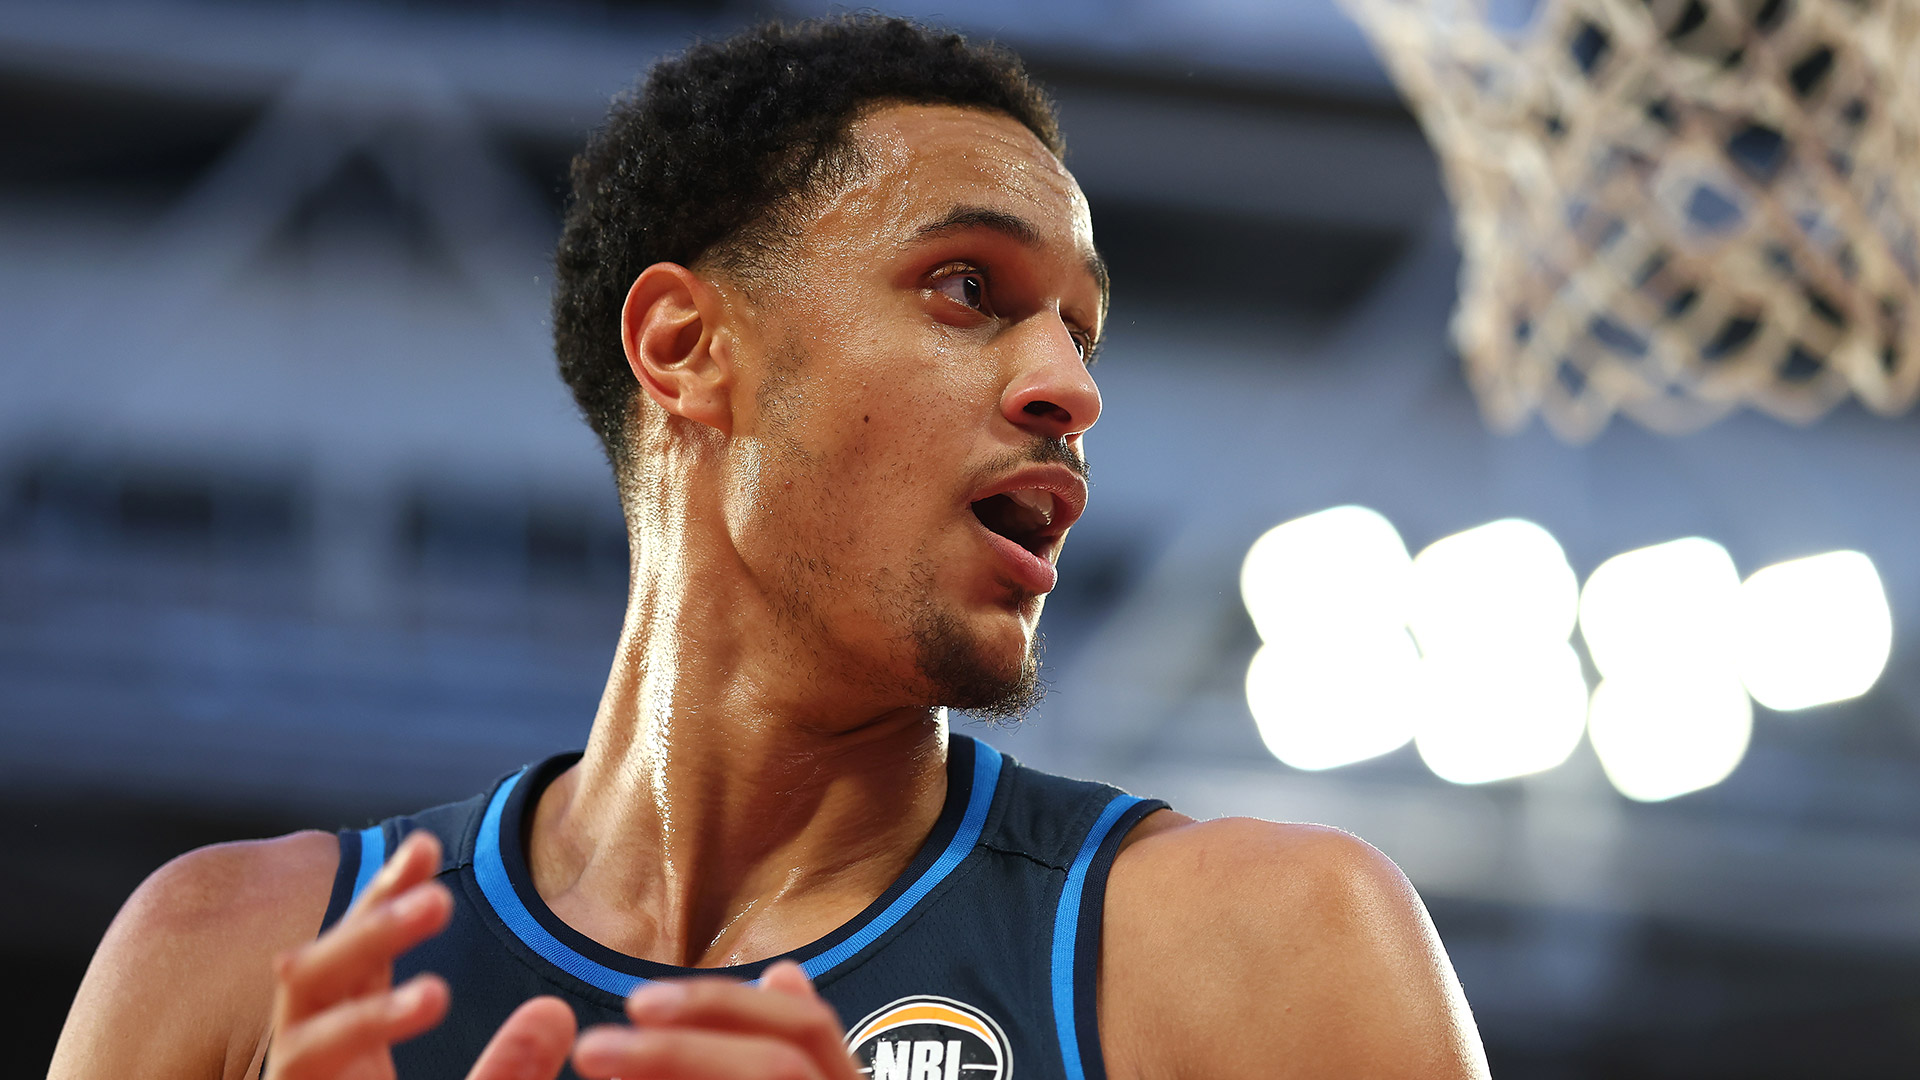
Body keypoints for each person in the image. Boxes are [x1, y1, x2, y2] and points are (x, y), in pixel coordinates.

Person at [48, 15, 1489, 1080]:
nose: (1071, 387)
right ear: (686, 347)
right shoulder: (229, 959)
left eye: (1081, 330)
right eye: (969, 287)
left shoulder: (1262, 950)